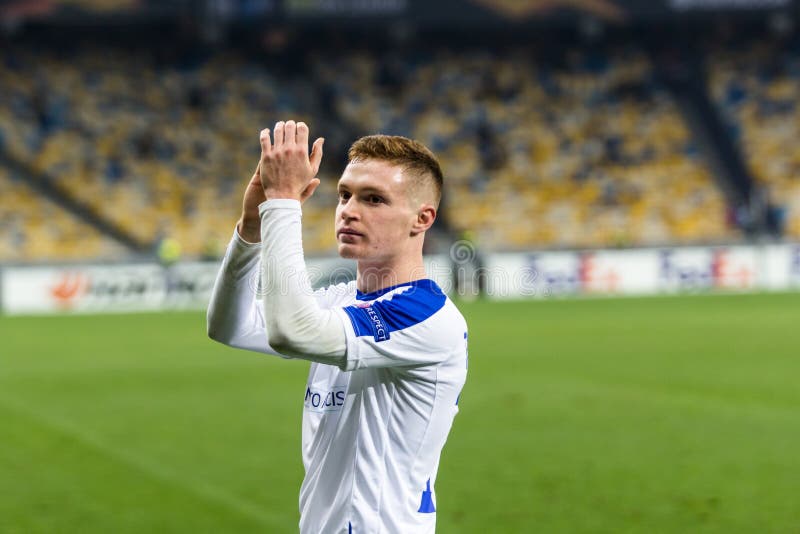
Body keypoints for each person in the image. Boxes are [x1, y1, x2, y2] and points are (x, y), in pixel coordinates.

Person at [207, 120, 468, 533]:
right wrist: (252, 228)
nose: (349, 209)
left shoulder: (426, 314)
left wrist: (283, 203)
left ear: (422, 218)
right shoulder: (343, 300)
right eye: (344, 194)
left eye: (374, 199)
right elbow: (230, 326)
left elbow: (293, 330)